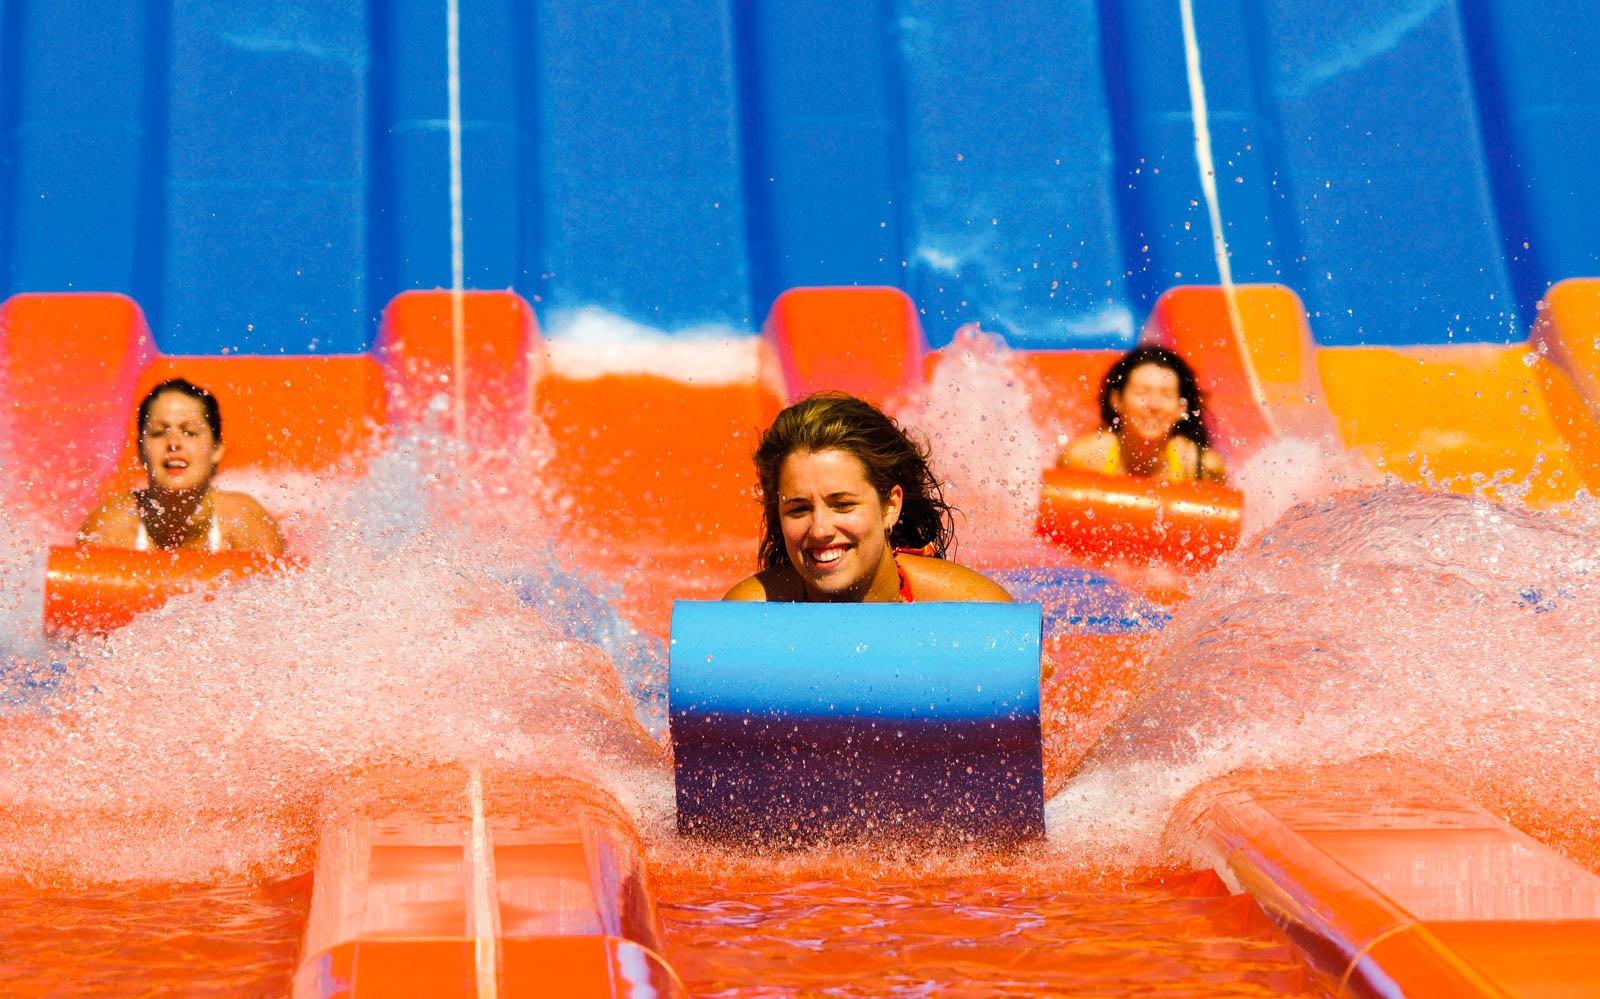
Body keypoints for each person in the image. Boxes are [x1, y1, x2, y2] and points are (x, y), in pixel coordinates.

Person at [723, 393, 1011, 603]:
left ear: (890, 507)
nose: (820, 530)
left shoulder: (969, 607)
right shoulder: (752, 613)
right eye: (799, 509)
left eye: (843, 505)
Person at [78, 378, 287, 555]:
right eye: (159, 433)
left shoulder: (245, 524)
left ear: (216, 449)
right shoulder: (109, 530)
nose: (173, 443)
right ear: (141, 451)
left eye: (190, 432)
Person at [1058, 345, 1226, 484]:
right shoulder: (1082, 460)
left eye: (1167, 395)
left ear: (1181, 409)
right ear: (1117, 401)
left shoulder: (1201, 470)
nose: (1154, 405)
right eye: (1141, 393)